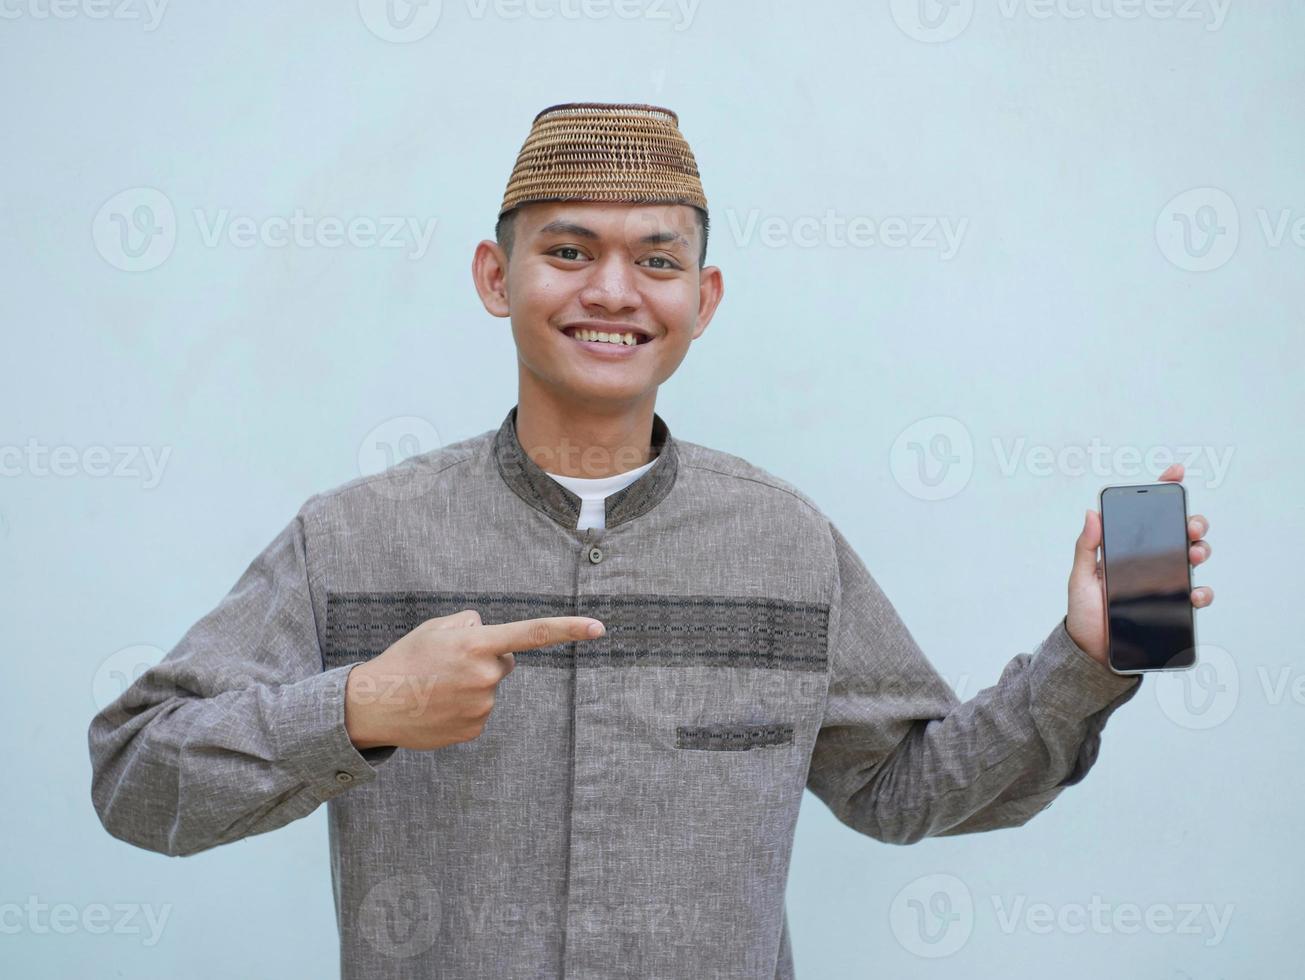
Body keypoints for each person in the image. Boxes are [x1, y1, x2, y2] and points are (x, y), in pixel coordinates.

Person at [87, 102, 1216, 979]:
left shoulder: (786, 544)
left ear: (705, 296)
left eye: (657, 259)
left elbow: (905, 786)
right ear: (498, 276)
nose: (613, 291)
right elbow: (138, 774)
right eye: (568, 251)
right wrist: (361, 707)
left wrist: (1088, 656)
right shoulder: (355, 539)